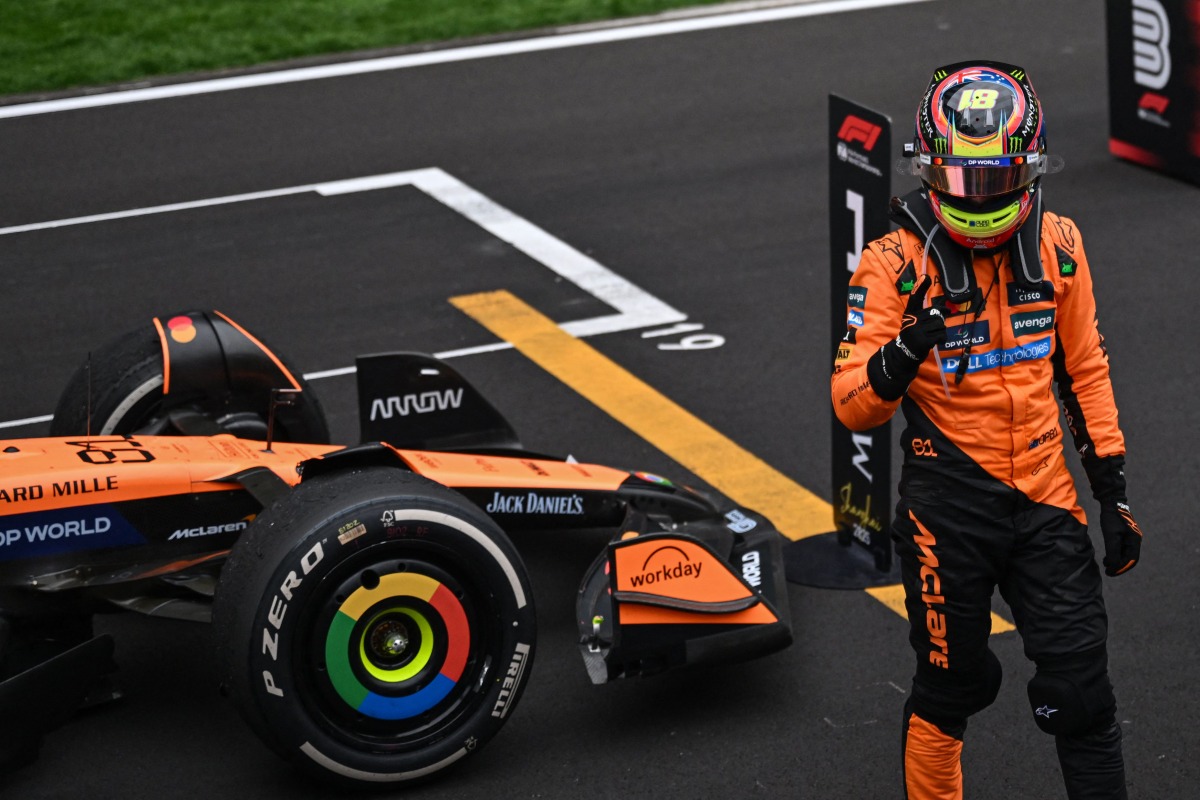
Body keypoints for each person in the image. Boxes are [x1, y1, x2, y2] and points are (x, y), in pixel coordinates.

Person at [830, 61, 1143, 799]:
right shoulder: (890, 262)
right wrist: (902, 354)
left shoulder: (1061, 244)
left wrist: (1113, 491)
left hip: (1045, 501)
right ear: (929, 170)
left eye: (994, 179)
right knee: (954, 688)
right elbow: (851, 405)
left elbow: (1086, 370)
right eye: (962, 180)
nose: (978, 199)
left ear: (1029, 168)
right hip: (947, 512)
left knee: (1081, 694)